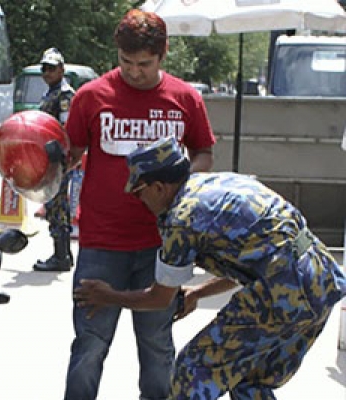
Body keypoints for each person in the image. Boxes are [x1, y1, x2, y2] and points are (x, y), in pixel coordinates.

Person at [74, 136, 346, 399]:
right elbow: (256, 262)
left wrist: (108, 296)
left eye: (138, 192)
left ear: (159, 187)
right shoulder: (220, 184)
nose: (139, 201)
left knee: (191, 373)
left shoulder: (181, 219)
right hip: (320, 283)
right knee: (249, 380)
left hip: (282, 293)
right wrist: (197, 293)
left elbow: (159, 298)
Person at [61, 9, 216, 400]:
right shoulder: (91, 97)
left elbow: (204, 154)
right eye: (126, 63)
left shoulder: (186, 98)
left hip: (161, 244)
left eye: (144, 64)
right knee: (89, 345)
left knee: (157, 346)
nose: (134, 72)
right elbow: (71, 151)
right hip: (100, 243)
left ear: (162, 55)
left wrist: (179, 181)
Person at [33, 47, 77, 272]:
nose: (47, 73)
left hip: (57, 158)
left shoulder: (64, 94)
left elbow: (65, 128)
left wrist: (58, 156)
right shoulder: (51, 92)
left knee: (57, 205)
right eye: (44, 68)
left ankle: (61, 256)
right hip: (48, 156)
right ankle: (63, 254)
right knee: (54, 204)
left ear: (61, 69)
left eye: (51, 68)